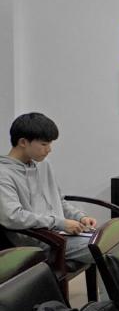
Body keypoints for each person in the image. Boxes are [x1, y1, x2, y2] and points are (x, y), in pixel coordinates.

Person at [0, 112, 97, 269]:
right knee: (106, 248)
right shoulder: (4, 173)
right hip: (39, 240)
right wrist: (60, 223)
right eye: (44, 144)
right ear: (23, 142)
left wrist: (80, 217)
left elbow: (59, 201)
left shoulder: (43, 164)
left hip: (60, 233)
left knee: (115, 239)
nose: (49, 149)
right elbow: (13, 217)